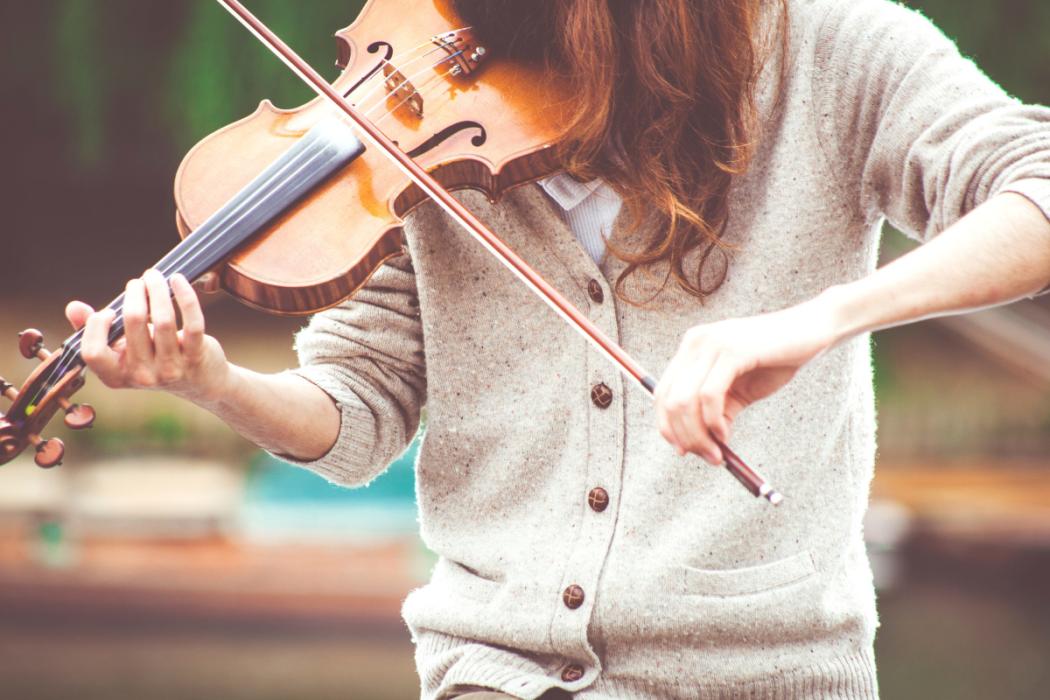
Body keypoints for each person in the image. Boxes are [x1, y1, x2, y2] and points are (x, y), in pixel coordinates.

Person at [67, 0, 1050, 697]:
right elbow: (357, 409)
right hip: (494, 674)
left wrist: (825, 316)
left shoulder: (839, 51)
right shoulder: (427, 111)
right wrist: (214, 379)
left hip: (761, 675)